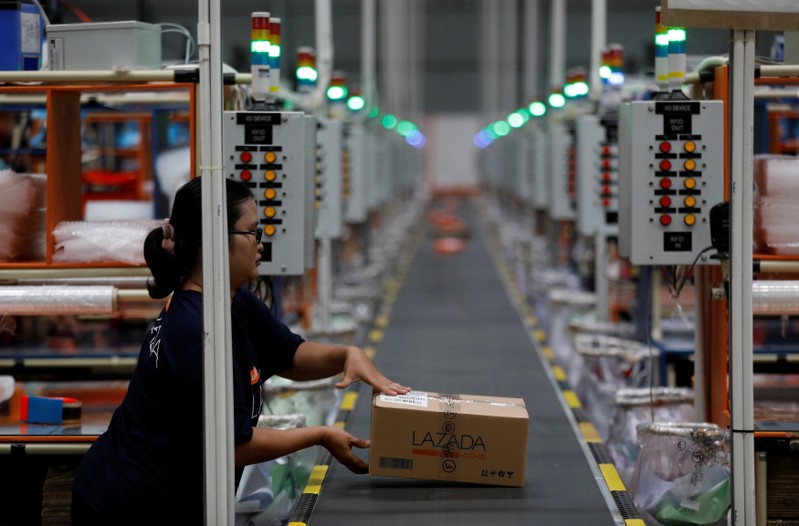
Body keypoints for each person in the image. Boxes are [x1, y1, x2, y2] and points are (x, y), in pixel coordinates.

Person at [71, 176, 410, 525]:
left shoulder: (231, 301)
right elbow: (233, 446)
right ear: (215, 241)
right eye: (252, 233)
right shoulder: (194, 329)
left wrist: (344, 356)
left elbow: (289, 356)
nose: (261, 244)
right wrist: (319, 435)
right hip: (127, 506)